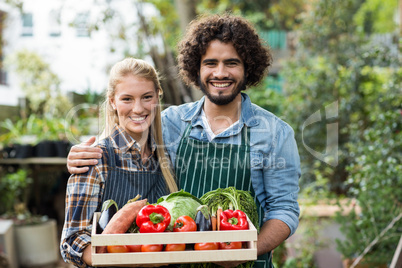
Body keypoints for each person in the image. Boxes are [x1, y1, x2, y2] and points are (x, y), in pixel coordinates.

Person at [67, 14, 301, 268]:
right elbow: (125, 141)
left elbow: (284, 211)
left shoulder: (275, 133)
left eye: (231, 63)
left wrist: (247, 249)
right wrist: (82, 155)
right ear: (196, 68)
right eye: (210, 63)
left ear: (248, 68)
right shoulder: (170, 123)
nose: (220, 73)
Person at [60, 58, 178, 267]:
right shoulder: (95, 160)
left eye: (147, 97)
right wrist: (131, 261)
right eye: (127, 99)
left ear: (158, 97)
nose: (138, 108)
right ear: (112, 101)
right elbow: (72, 241)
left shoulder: (165, 156)